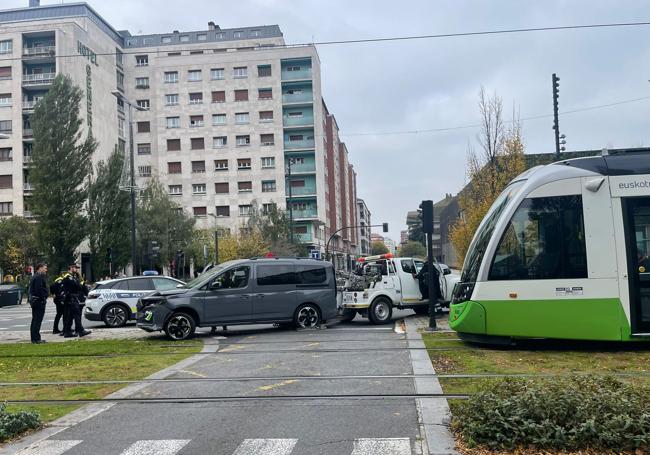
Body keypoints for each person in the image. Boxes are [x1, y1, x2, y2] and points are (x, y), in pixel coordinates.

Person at [61, 264, 91, 338]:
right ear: (71, 268)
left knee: (70, 316)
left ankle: (67, 332)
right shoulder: (68, 277)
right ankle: (80, 331)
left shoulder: (73, 276)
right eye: (75, 268)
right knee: (77, 314)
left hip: (73, 297)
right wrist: (79, 283)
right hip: (71, 298)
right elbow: (76, 286)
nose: (77, 269)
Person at [28, 263, 49, 344]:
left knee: (35, 320)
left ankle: (34, 338)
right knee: (37, 320)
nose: (46, 270)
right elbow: (39, 290)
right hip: (38, 301)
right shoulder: (38, 277)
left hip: (36, 301)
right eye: (45, 268)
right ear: (40, 268)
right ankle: (36, 339)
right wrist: (43, 298)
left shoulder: (36, 276)